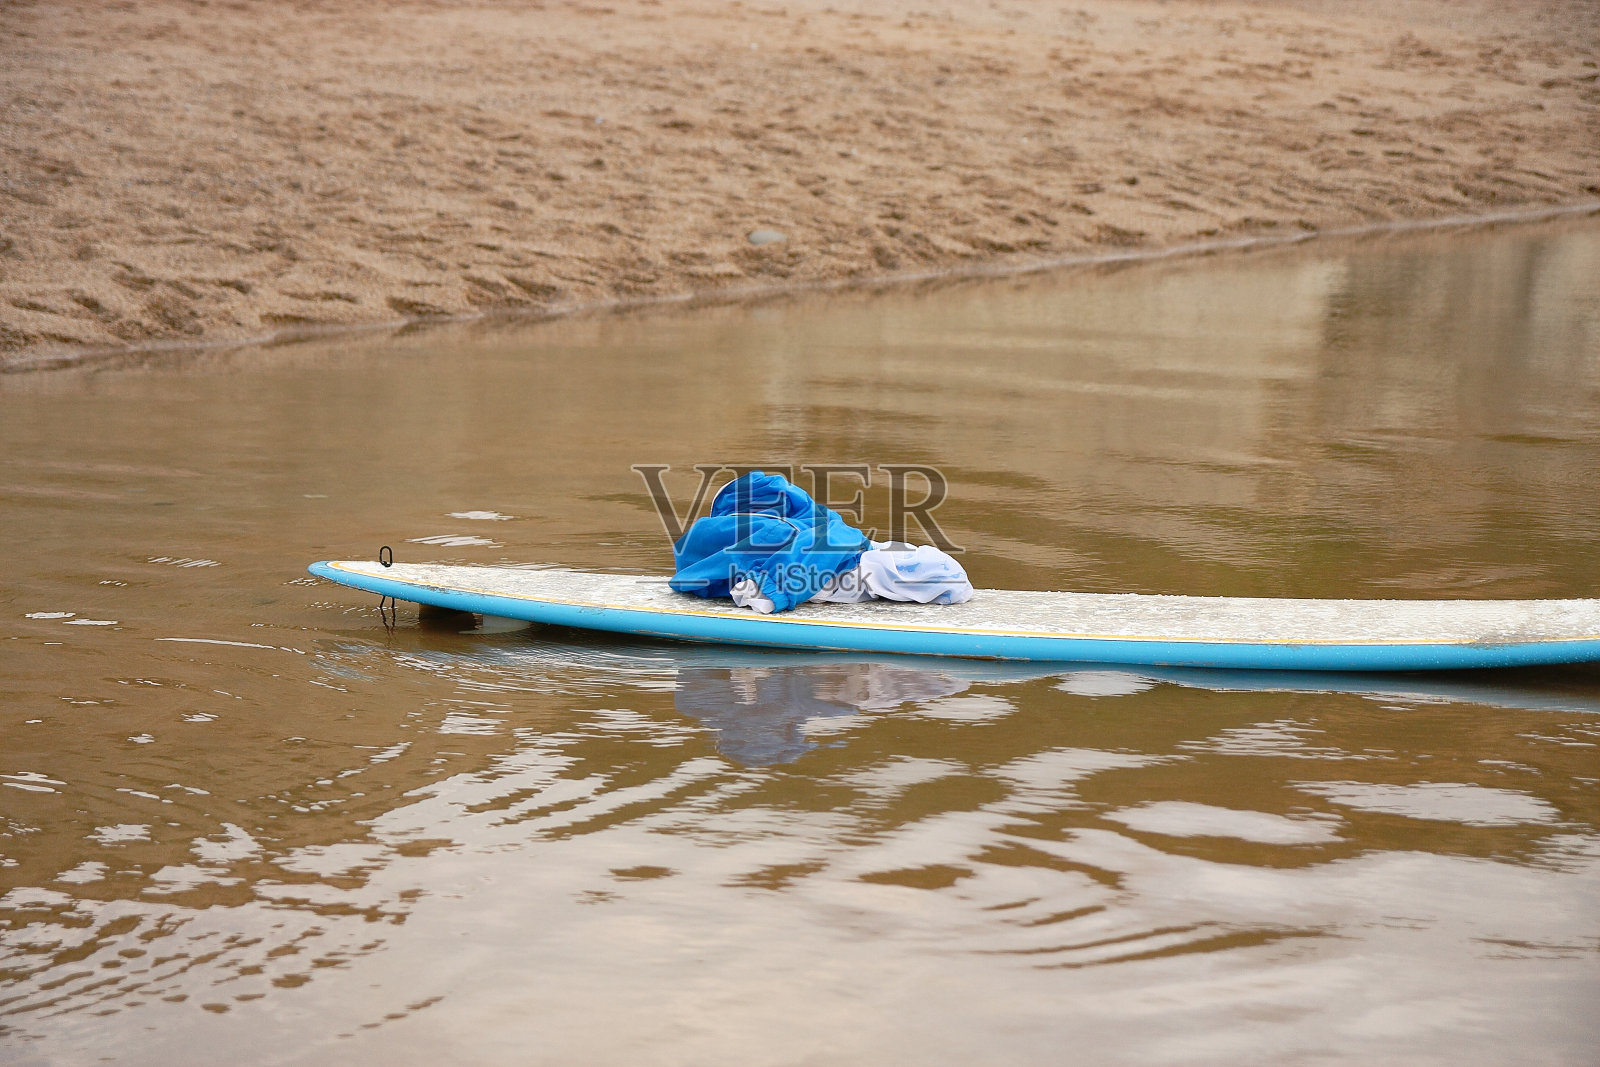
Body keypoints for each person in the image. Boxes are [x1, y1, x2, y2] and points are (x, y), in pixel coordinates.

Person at [670, 470, 973, 614]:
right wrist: (771, 589)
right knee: (837, 545)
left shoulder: (803, 525)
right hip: (843, 559)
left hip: (845, 554)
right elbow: (823, 542)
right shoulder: (807, 531)